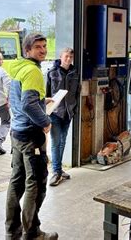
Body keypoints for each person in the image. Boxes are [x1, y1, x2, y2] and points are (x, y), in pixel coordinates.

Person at [5, 33, 58, 240]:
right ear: (28, 50)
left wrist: (42, 100)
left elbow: (21, 100)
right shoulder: (33, 71)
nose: (43, 50)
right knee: (35, 183)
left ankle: (12, 232)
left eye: (44, 46)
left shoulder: (17, 67)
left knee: (16, 182)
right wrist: (45, 122)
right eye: (38, 47)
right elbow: (27, 104)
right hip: (30, 136)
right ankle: (33, 233)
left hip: (17, 133)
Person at [46, 48, 79, 187]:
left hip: (68, 113)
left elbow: (77, 92)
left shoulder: (75, 73)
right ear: (60, 57)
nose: (69, 58)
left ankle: (59, 170)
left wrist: (74, 108)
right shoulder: (51, 73)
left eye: (71, 56)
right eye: (66, 56)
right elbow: (46, 93)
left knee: (63, 142)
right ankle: (55, 172)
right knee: (55, 142)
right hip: (55, 113)